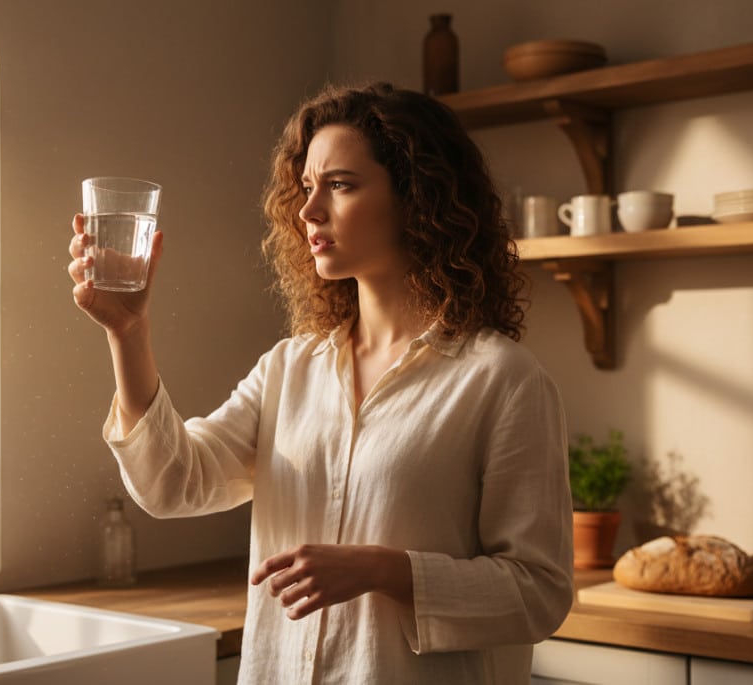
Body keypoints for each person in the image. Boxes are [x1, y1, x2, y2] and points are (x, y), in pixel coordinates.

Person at [67, 82, 573, 684]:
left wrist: (386, 571)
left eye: (340, 184)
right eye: (307, 187)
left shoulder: (501, 380)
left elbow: (539, 592)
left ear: (417, 199)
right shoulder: (289, 368)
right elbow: (175, 483)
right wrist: (128, 332)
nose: (308, 211)